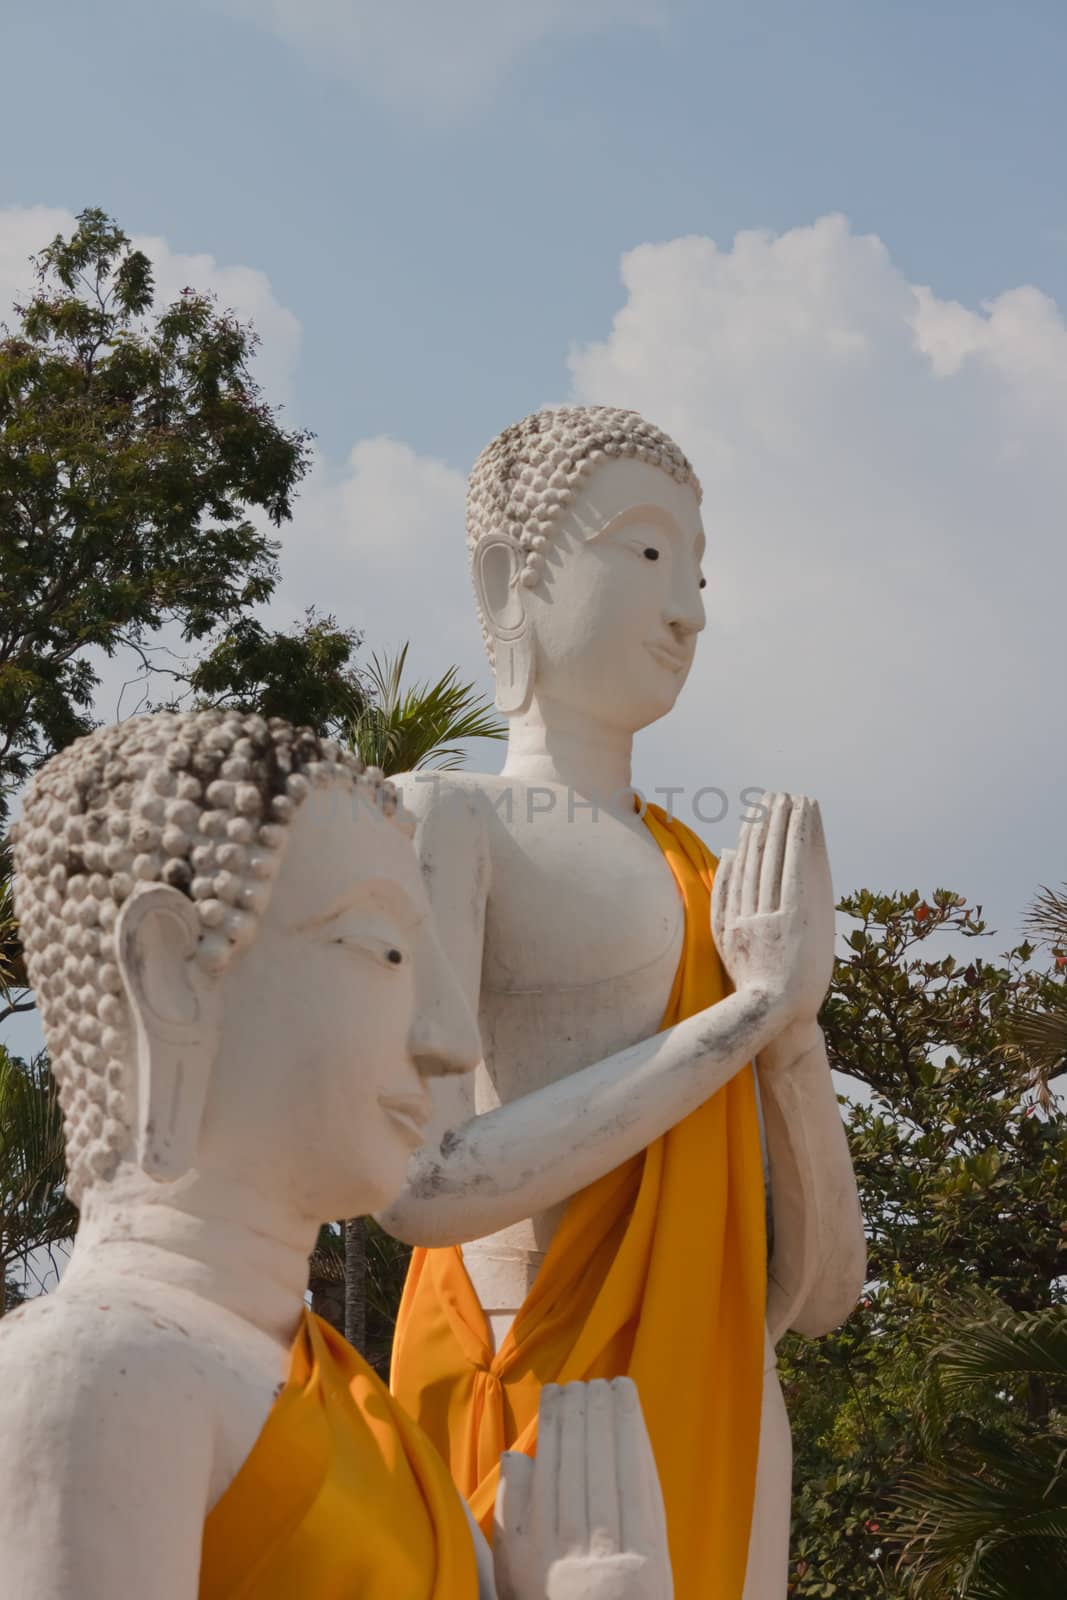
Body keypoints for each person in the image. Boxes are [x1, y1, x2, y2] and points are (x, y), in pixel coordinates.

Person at [0, 710, 672, 1600]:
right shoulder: (99, 1373)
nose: (451, 1041)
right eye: (385, 950)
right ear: (168, 976)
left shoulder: (365, 1420)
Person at [382, 406, 867, 1598]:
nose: (688, 609)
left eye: (696, 572)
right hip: (539, 1381)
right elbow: (419, 1185)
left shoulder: (707, 874)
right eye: (646, 554)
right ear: (507, 582)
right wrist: (743, 1018)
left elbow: (823, 1293)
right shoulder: (450, 820)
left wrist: (793, 1032)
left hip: (718, 1381)